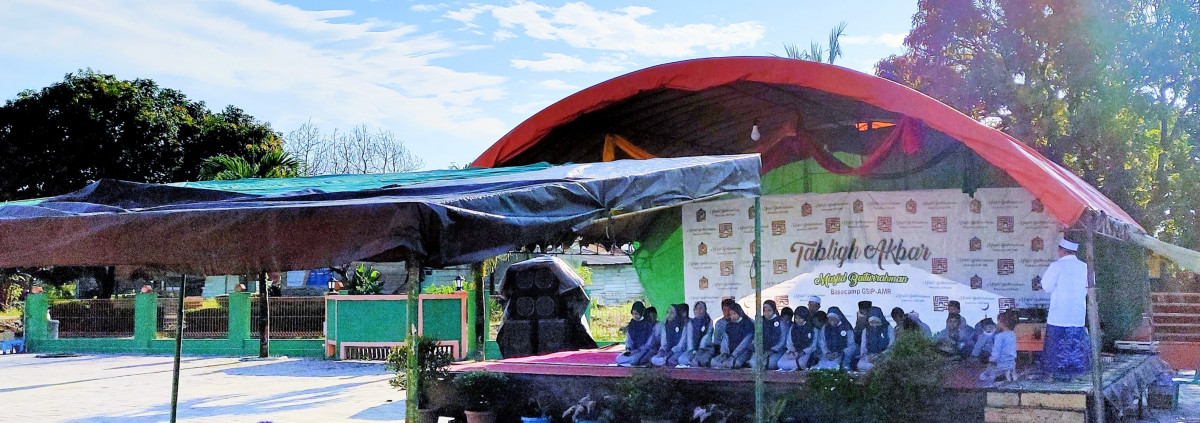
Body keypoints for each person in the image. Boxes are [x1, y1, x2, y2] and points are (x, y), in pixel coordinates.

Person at [1039, 239, 1091, 382]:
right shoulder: (1085, 267)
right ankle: (1073, 376)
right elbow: (1089, 288)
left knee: (1055, 346)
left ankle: (1051, 375)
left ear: (1061, 250)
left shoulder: (1057, 266)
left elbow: (1046, 286)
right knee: (1074, 345)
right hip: (1077, 314)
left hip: (1059, 314)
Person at [691, 299, 734, 367]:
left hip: (734, 351)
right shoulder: (719, 323)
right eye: (725, 310)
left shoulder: (709, 322)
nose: (727, 313)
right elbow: (716, 340)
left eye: (729, 310)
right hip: (719, 351)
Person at [979, 311, 1019, 384]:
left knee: (983, 376)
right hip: (1011, 364)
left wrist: (991, 361)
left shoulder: (999, 336)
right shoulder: (1012, 334)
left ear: (1002, 323)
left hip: (1000, 364)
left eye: (997, 322)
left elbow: (996, 352)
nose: (996, 324)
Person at [711, 303, 754, 369]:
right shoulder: (729, 325)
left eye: (734, 314)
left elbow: (745, 342)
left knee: (735, 363)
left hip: (743, 352)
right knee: (714, 362)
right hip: (730, 353)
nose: (732, 316)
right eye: (731, 315)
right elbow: (725, 340)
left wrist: (734, 354)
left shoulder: (747, 324)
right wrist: (725, 353)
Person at [777, 307, 819, 372]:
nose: (798, 320)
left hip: (806, 352)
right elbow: (789, 342)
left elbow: (813, 346)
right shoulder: (793, 327)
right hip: (793, 351)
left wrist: (802, 352)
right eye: (796, 318)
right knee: (780, 363)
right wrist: (792, 351)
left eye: (800, 318)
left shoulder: (813, 329)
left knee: (800, 364)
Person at [616, 301, 655, 366]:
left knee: (635, 359)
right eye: (633, 314)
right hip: (632, 351)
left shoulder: (648, 325)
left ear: (641, 313)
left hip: (645, 350)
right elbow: (629, 340)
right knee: (619, 358)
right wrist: (628, 349)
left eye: (636, 314)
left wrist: (638, 350)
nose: (634, 316)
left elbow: (649, 344)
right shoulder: (632, 324)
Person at [676, 301, 713, 368]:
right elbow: (689, 338)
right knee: (682, 359)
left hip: (705, 349)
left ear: (705, 310)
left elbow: (706, 336)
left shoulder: (709, 321)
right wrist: (691, 351)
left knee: (700, 361)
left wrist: (700, 349)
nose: (699, 311)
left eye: (701, 308)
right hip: (692, 350)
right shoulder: (691, 322)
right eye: (697, 309)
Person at [856, 307, 892, 371]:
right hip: (870, 356)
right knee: (860, 365)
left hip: (884, 356)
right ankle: (875, 368)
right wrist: (868, 356)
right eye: (872, 323)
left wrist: (881, 355)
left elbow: (892, 345)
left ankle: (877, 368)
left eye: (876, 322)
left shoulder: (888, 328)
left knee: (887, 364)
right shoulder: (866, 330)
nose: (874, 325)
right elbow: (863, 347)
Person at [755, 300, 785, 369]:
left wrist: (773, 350)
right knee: (754, 363)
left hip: (777, 350)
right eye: (764, 311)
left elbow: (782, 341)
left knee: (770, 364)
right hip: (763, 350)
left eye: (769, 310)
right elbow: (757, 337)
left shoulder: (780, 322)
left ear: (774, 310)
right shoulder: (761, 321)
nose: (766, 313)